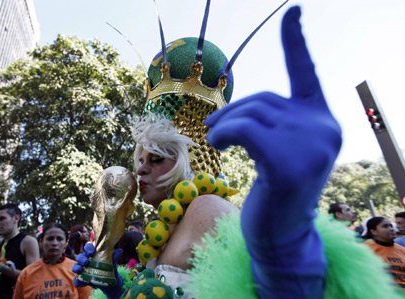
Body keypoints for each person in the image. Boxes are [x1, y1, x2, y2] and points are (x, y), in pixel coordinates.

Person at [75, 5, 402, 299]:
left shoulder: (206, 208)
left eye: (157, 158)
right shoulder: (164, 226)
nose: (141, 170)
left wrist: (286, 234)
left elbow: (267, 289)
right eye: (141, 160)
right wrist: (119, 290)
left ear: (190, 159)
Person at [13, 223, 92, 298]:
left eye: (59, 239)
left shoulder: (77, 270)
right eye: (50, 239)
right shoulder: (27, 273)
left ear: (66, 243)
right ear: (41, 242)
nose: (54, 243)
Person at [0, 203, 39, 299]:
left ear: (16, 218)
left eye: (2, 218)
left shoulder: (27, 241)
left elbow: (33, 276)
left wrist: (1, 267)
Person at [364, 217, 405, 289]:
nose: (392, 229)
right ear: (374, 231)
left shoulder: (402, 249)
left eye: (391, 226)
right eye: (385, 226)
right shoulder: (365, 249)